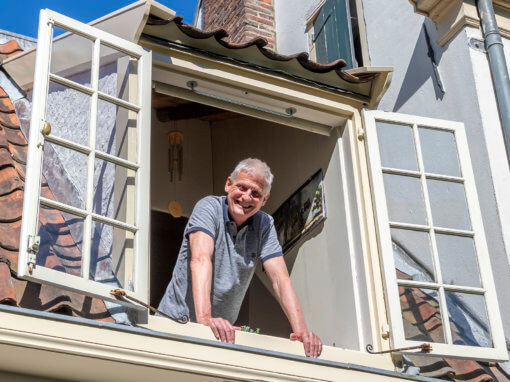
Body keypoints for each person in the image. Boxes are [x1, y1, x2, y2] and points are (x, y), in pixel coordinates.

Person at [158, 158, 322, 358]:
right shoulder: (209, 207)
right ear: (228, 184)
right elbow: (200, 259)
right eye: (242, 188)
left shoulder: (265, 225)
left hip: (219, 335)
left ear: (264, 200)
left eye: (255, 194)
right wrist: (205, 318)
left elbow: (280, 279)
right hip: (175, 322)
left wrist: (302, 333)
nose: (246, 197)